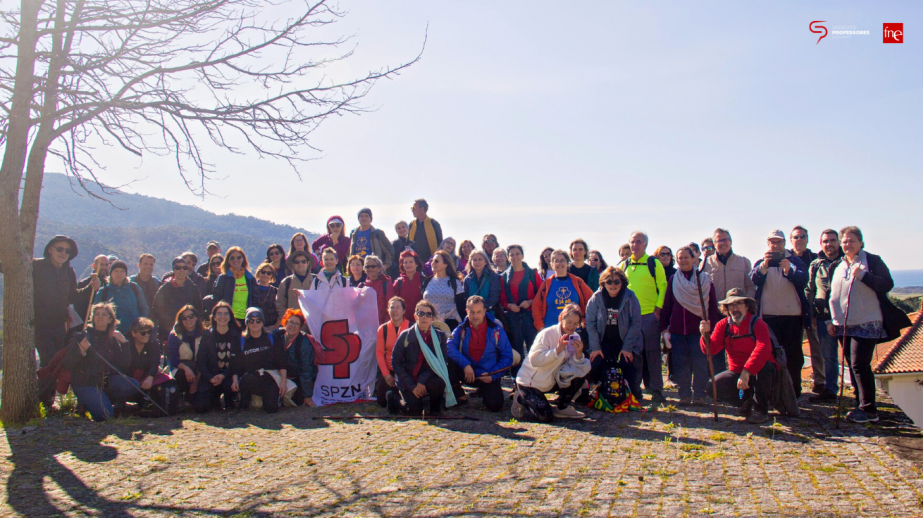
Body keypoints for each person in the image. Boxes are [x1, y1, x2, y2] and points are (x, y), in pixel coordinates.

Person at [826, 226, 911, 423]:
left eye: (852, 240)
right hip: (844, 326)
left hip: (867, 322)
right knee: (853, 365)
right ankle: (860, 403)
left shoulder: (872, 261)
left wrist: (863, 276)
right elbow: (832, 294)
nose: (847, 244)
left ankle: (869, 409)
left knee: (859, 364)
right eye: (844, 241)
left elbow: (887, 284)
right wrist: (831, 320)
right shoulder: (837, 266)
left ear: (861, 242)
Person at [699, 288, 779, 424]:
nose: (735, 308)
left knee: (764, 368)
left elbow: (764, 349)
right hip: (736, 372)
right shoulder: (723, 325)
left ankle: (761, 410)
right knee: (712, 387)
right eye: (731, 305)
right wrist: (704, 335)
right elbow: (710, 350)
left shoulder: (758, 323)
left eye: (738, 304)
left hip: (760, 370)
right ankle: (745, 402)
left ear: (747, 306)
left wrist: (747, 371)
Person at [750, 229, 810, 398]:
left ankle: (793, 393)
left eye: (779, 242)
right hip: (768, 317)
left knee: (793, 356)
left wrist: (789, 270)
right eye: (772, 242)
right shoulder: (762, 262)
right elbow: (753, 279)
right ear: (768, 244)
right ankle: (773, 392)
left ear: (785, 243)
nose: (776, 246)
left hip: (792, 318)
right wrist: (764, 267)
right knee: (770, 356)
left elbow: (803, 279)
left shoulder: (795, 261)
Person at [659, 247, 720, 405]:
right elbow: (668, 305)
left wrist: (711, 328)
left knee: (700, 363)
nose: (684, 260)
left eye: (687, 257)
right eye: (680, 258)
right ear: (677, 260)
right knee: (681, 364)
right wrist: (664, 327)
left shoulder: (704, 279)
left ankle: (699, 394)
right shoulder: (674, 279)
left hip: (698, 331)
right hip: (678, 330)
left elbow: (712, 306)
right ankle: (684, 394)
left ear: (694, 259)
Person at [32, 236, 87, 405]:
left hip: (60, 325)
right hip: (39, 324)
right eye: (60, 249)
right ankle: (41, 402)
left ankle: (45, 401)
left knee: (56, 364)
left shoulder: (69, 272)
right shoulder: (36, 266)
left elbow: (73, 297)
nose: (63, 253)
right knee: (49, 362)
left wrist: (90, 288)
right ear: (50, 249)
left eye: (67, 251)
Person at [61, 303, 140, 421]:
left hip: (106, 382)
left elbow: (123, 365)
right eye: (97, 314)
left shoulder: (112, 338)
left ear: (110, 319)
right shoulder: (82, 336)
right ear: (92, 318)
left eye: (104, 314)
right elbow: (67, 363)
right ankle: (89, 402)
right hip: (86, 383)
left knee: (133, 385)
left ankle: (103, 400)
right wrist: (81, 351)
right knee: (106, 415)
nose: (100, 317)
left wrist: (124, 342)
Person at [513, 304, 591, 421]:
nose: (572, 327)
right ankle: (520, 397)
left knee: (580, 374)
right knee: (545, 416)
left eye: (575, 324)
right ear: (561, 319)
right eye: (569, 322)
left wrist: (579, 354)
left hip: (553, 380)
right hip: (530, 383)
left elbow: (576, 367)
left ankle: (562, 407)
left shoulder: (575, 337)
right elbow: (535, 360)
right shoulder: (546, 334)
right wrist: (556, 351)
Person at [619, 231, 668, 403]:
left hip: (649, 316)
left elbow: (663, 286)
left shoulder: (653, 263)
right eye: (632, 242)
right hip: (631, 318)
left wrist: (658, 309)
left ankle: (656, 389)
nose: (635, 245)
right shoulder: (624, 265)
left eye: (639, 242)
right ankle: (635, 389)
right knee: (634, 355)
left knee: (653, 353)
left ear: (645, 244)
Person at [388, 300, 457, 416]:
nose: (424, 317)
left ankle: (434, 408)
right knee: (414, 412)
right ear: (415, 316)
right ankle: (393, 398)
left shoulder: (439, 337)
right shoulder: (405, 336)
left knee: (439, 382)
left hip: (428, 378)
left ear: (432, 318)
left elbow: (442, 363)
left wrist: (422, 380)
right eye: (421, 314)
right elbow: (396, 363)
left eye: (428, 314)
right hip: (408, 379)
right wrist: (413, 386)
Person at [446, 296, 513, 412]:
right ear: (467, 312)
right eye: (472, 312)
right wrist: (465, 364)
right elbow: (449, 346)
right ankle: (458, 393)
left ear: (484, 311)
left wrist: (493, 375)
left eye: (479, 312)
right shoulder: (461, 328)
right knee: (448, 359)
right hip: (468, 373)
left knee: (495, 405)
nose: (475, 316)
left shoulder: (496, 330)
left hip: (488, 374)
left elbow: (507, 357)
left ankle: (484, 390)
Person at [586, 267, 643, 400]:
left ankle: (631, 394)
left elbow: (636, 323)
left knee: (627, 361)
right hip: (603, 341)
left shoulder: (630, 297)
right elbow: (591, 324)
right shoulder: (596, 298)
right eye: (609, 282)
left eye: (617, 282)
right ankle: (597, 392)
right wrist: (595, 348)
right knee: (596, 362)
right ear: (603, 283)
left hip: (625, 341)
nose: (613, 285)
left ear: (622, 283)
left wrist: (627, 348)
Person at [805, 229, 843, 402]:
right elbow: (810, 289)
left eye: (832, 240)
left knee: (851, 357)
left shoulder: (847, 262)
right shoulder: (816, 264)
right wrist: (811, 314)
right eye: (825, 241)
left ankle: (860, 394)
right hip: (822, 317)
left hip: (846, 317)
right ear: (821, 244)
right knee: (828, 356)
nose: (829, 244)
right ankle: (830, 390)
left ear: (839, 242)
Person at [231, 307, 288, 413]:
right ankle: (245, 402)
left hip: (269, 377)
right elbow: (236, 365)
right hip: (251, 377)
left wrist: (283, 381)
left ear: (263, 322)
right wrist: (235, 379)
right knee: (246, 379)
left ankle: (268, 398)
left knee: (271, 409)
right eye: (251, 321)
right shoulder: (241, 341)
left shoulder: (272, 338)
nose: (255, 323)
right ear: (247, 323)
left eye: (258, 320)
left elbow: (282, 362)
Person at [532, 249, 594, 331]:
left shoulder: (577, 281)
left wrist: (584, 320)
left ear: (567, 263)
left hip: (574, 330)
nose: (559, 263)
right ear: (552, 264)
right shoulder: (546, 284)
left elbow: (592, 301)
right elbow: (536, 306)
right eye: (556, 261)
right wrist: (540, 326)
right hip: (551, 330)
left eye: (562, 260)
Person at [197, 302, 240, 411]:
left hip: (228, 376)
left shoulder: (236, 335)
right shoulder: (207, 336)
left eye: (226, 314)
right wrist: (210, 378)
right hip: (210, 376)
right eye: (219, 314)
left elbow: (237, 362)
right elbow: (201, 361)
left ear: (230, 317)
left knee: (231, 407)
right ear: (214, 317)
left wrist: (223, 375)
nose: (222, 317)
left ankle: (230, 398)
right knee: (201, 408)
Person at [126, 317, 172, 414]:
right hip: (130, 376)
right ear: (134, 333)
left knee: (164, 379)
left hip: (147, 375)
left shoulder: (153, 343)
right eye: (143, 333)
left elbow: (155, 362)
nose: (147, 335)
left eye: (149, 332)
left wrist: (150, 377)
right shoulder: (127, 345)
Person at [273, 309, 318, 407]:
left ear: (300, 327)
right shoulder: (277, 335)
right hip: (279, 376)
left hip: (296, 379)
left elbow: (307, 370)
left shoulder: (304, 343)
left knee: (296, 402)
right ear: (285, 322)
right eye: (291, 322)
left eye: (296, 324)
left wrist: (308, 396)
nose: (292, 326)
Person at [152, 257, 203, 342]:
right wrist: (172, 324)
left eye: (184, 267)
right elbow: (157, 309)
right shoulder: (165, 288)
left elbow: (199, 309)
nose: (181, 270)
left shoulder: (193, 288)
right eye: (178, 267)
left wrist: (192, 323)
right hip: (169, 332)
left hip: (191, 330)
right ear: (173, 270)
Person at [166, 305, 207, 409]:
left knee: (201, 406)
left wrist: (196, 381)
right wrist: (186, 368)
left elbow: (206, 359)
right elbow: (173, 358)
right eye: (184, 317)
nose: (188, 319)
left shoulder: (205, 333)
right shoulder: (174, 335)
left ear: (197, 317)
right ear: (180, 320)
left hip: (200, 370)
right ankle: (179, 396)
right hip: (181, 369)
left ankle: (191, 396)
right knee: (181, 375)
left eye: (191, 316)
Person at [94, 260, 149, 336]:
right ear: (111, 273)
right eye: (116, 271)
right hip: (112, 334)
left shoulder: (134, 288)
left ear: (126, 274)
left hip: (134, 333)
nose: (119, 274)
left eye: (122, 271)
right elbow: (96, 312)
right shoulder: (104, 291)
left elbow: (143, 308)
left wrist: (142, 326)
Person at [704, 228, 756, 301]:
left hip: (737, 309)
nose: (722, 243)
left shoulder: (743, 261)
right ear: (714, 244)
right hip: (715, 309)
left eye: (725, 240)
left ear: (731, 242)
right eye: (719, 241)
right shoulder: (706, 263)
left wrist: (746, 304)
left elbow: (751, 287)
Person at [375, 297, 410, 407]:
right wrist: (386, 375)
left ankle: (396, 398)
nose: (395, 310)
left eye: (398, 307)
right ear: (388, 310)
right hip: (389, 370)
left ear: (404, 311)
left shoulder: (411, 327)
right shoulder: (382, 329)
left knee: (409, 399)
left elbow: (413, 355)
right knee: (381, 401)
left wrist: (400, 372)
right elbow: (379, 353)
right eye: (392, 307)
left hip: (406, 370)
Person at [422, 250, 466, 329]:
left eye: (436, 261)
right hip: (429, 325)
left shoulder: (455, 282)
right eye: (432, 261)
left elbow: (461, 306)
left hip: (450, 325)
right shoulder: (427, 281)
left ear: (445, 264)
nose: (433, 263)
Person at [214, 247, 258, 322]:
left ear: (243, 259)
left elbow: (255, 298)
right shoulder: (223, 278)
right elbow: (217, 298)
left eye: (238, 257)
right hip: (228, 319)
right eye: (232, 258)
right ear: (227, 260)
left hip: (247, 318)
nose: (235, 260)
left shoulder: (250, 278)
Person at [349, 207, 396, 273]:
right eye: (361, 216)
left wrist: (385, 265)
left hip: (373, 270)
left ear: (371, 219)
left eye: (366, 216)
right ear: (358, 219)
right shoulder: (353, 233)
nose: (364, 218)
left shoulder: (378, 233)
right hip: (358, 270)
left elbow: (390, 251)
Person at [275, 250, 316, 319]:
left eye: (303, 261)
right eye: (297, 262)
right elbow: (280, 304)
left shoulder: (317, 281)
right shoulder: (286, 282)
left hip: (313, 323)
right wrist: (286, 320)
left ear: (308, 263)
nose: (300, 264)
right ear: (293, 264)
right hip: (293, 325)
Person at [464, 250, 502, 315]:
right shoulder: (467, 279)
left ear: (485, 262)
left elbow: (494, 297)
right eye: (475, 260)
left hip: (490, 313)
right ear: (471, 262)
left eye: (480, 259)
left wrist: (481, 310)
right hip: (473, 315)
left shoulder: (493, 277)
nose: (477, 262)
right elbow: (466, 298)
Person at [359, 255, 394, 324]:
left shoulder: (386, 285)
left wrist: (385, 327)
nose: (370, 268)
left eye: (373, 266)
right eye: (367, 267)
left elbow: (391, 308)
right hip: (365, 327)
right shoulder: (361, 286)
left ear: (379, 268)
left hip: (382, 326)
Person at [392, 250, 425, 323]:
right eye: (405, 262)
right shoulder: (398, 282)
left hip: (421, 321)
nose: (408, 264)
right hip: (402, 322)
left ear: (416, 264)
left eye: (411, 262)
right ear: (402, 265)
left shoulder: (424, 281)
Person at [75, 254, 110, 320]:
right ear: (94, 266)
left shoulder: (110, 284)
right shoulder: (84, 283)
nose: (104, 267)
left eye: (106, 265)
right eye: (101, 264)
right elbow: (78, 306)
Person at [252, 261, 280, 328]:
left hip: (270, 326)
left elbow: (280, 310)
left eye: (268, 273)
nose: (265, 275)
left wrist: (275, 326)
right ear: (258, 273)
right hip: (254, 325)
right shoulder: (251, 289)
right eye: (263, 272)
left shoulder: (276, 291)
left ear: (272, 276)